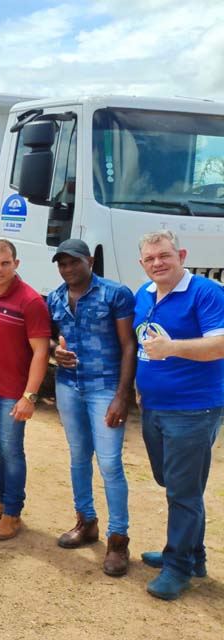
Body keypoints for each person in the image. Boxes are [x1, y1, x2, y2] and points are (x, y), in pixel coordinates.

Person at [133, 230, 224, 600]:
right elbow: (142, 343)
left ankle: (178, 566)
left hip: (193, 409)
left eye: (164, 256)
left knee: (183, 492)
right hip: (154, 407)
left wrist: (172, 348)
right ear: (142, 263)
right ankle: (194, 553)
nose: (157, 263)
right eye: (150, 258)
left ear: (181, 255)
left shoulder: (206, 292)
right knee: (171, 482)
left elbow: (220, 343)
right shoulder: (144, 294)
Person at [46, 239, 136, 576]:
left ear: (89, 260)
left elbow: (129, 345)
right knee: (78, 456)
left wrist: (122, 395)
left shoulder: (115, 294)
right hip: (69, 386)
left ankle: (118, 539)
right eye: (62, 264)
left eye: (73, 262)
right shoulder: (54, 297)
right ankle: (86, 522)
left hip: (105, 387)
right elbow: (51, 338)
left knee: (110, 463)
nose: (68, 269)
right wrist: (57, 351)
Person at [0, 238, 50, 540]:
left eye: (5, 263)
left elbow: (41, 352)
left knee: (12, 451)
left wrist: (29, 396)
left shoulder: (30, 301)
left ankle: (13, 513)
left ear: (16, 264)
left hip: (12, 394)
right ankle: (3, 499)